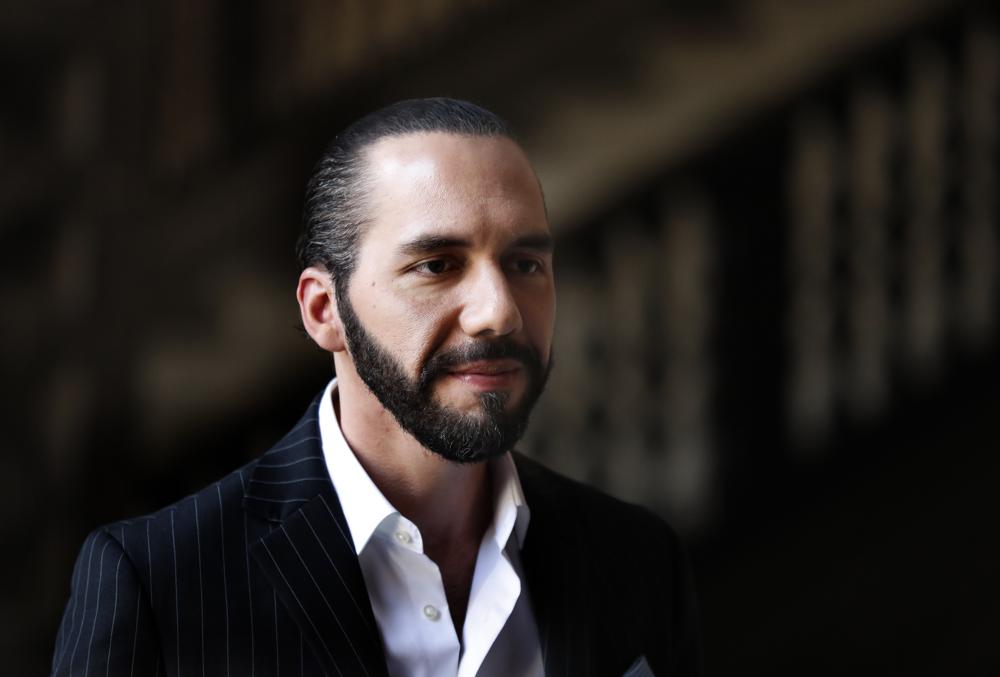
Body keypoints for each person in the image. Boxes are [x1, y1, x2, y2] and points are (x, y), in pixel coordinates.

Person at [51, 98, 701, 677]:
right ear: (323, 310)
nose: (499, 311)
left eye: (525, 262)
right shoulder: (158, 584)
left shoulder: (636, 559)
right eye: (437, 265)